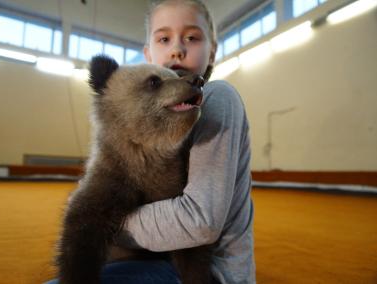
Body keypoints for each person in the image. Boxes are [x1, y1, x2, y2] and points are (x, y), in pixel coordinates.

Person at [47, 0, 255, 283]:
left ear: (212, 51)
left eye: (192, 38)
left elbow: (197, 225)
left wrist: (98, 223)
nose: (177, 48)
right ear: (148, 53)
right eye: (164, 38)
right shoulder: (132, 143)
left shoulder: (216, 97)